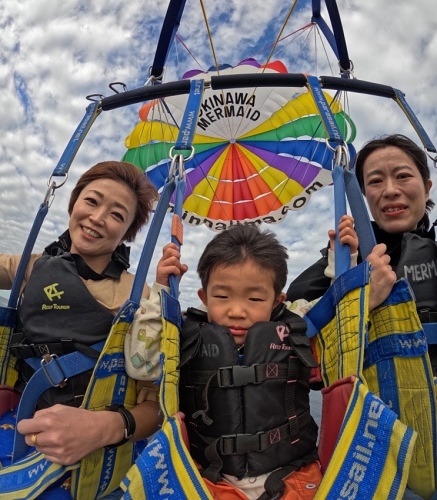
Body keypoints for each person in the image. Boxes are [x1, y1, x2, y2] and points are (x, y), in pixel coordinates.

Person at [125, 223, 394, 500]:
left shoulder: (297, 325)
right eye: (221, 296)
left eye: (254, 298)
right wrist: (161, 292)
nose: (237, 311)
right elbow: (141, 365)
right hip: (206, 480)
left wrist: (344, 263)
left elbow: (342, 316)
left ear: (277, 301)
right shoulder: (184, 335)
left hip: (293, 475)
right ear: (204, 297)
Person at [0, 161, 186, 497]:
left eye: (116, 215)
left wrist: (103, 428)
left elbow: (156, 405)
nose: (98, 218)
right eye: (92, 201)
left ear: (126, 233)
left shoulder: (138, 295)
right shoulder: (30, 266)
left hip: (98, 452)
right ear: (73, 204)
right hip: (21, 426)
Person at [286, 133, 437, 372]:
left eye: (403, 176)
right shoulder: (344, 257)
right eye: (375, 181)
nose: (390, 190)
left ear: (427, 189)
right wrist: (359, 292)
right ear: (364, 195)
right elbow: (297, 328)